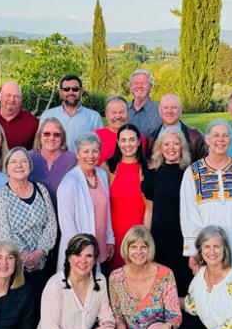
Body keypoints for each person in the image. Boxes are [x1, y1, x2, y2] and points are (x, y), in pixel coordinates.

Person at [180, 119, 232, 290]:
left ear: (230, 140)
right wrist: (193, 251)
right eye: (216, 135)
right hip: (209, 248)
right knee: (212, 292)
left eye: (225, 135)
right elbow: (188, 214)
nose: (220, 140)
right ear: (207, 139)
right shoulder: (193, 172)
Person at [0, 147, 57, 316]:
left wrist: (39, 253)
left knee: (40, 312)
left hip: (40, 264)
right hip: (13, 268)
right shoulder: (0, 196)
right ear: (6, 168)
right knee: (17, 315)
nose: (19, 165)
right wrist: (25, 257)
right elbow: (2, 233)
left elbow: (51, 224)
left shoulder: (41, 190)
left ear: (30, 166)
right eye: (13, 162)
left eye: (23, 161)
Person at [143, 127, 193, 296]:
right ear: (160, 147)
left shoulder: (190, 173)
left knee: (184, 285)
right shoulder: (152, 174)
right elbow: (149, 210)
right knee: (161, 286)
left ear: (182, 147)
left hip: (183, 238)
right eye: (166, 144)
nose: (171, 148)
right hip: (160, 237)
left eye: (175, 144)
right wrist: (146, 239)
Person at [55, 133, 114, 275]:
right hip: (82, 253)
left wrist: (110, 239)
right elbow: (67, 225)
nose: (90, 156)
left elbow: (106, 211)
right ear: (77, 154)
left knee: (101, 283)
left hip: (102, 246)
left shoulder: (102, 174)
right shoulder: (69, 182)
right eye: (85, 151)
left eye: (94, 151)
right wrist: (81, 253)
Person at [104, 123, 147, 270]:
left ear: (139, 141)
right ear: (118, 142)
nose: (127, 144)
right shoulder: (108, 167)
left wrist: (146, 236)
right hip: (114, 235)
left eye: (132, 140)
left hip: (140, 234)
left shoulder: (148, 167)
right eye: (123, 140)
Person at [39, 75, 102, 151]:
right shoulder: (47, 115)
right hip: (55, 159)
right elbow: (40, 144)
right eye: (66, 89)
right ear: (61, 93)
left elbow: (99, 147)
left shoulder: (94, 117)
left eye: (75, 89)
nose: (71, 92)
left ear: (81, 92)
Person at [28, 117, 77, 210]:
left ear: (62, 137)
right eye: (47, 134)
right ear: (39, 136)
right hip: (35, 214)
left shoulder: (73, 160)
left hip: (66, 213)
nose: (51, 138)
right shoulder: (27, 158)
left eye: (56, 135)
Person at [0, 81, 39, 149]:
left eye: (16, 96)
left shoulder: (33, 123)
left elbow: (38, 150)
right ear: (0, 96)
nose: (12, 99)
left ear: (21, 99)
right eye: (8, 95)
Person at [149, 93, 207, 162]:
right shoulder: (150, 139)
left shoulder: (196, 136)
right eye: (166, 108)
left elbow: (207, 163)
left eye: (174, 107)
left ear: (180, 110)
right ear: (160, 111)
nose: (170, 111)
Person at [95, 95, 129, 165]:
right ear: (106, 115)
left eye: (122, 112)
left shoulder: (138, 138)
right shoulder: (94, 137)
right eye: (113, 112)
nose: (118, 116)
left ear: (128, 113)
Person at [127, 69, 160, 136]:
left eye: (143, 83)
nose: (139, 86)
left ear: (150, 87)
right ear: (130, 87)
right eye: (136, 83)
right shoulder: (123, 109)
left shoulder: (160, 111)